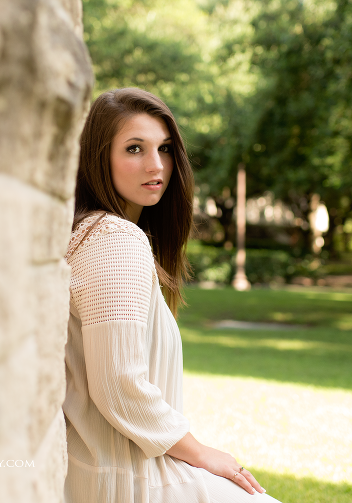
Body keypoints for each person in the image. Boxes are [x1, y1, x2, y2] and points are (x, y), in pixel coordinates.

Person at [63, 88, 281, 503]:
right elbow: (118, 384)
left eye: (164, 148)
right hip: (131, 481)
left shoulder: (88, 233)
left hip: (105, 470)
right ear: (98, 158)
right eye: (133, 148)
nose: (156, 165)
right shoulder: (114, 239)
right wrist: (201, 453)